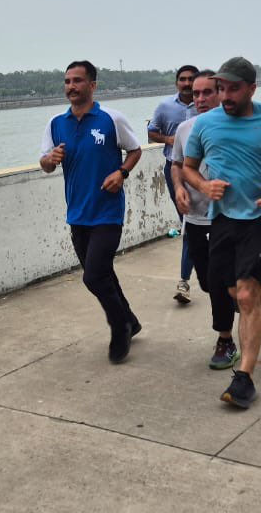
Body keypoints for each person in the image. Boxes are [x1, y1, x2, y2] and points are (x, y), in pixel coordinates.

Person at [182, 57, 261, 409]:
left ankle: (244, 379)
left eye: (233, 88)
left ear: (252, 88)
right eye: (221, 88)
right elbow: (188, 168)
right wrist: (204, 186)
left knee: (245, 295)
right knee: (229, 289)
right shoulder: (205, 124)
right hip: (223, 219)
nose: (225, 95)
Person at [41, 60, 144, 363]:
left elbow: (135, 150)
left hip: (107, 212)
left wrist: (121, 173)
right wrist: (50, 158)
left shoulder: (111, 119)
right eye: (67, 81)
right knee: (104, 273)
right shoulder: (55, 124)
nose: (71, 87)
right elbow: (44, 165)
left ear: (92, 85)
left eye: (77, 81)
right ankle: (131, 320)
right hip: (77, 214)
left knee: (93, 277)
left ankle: (119, 327)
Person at [170, 70, 240, 369]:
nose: (199, 99)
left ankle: (225, 341)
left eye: (207, 92)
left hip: (230, 217)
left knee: (222, 280)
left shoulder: (237, 126)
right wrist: (178, 189)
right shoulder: (185, 128)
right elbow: (177, 165)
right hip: (196, 218)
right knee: (212, 284)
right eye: (195, 94)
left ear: (221, 92)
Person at [148, 65, 199, 300]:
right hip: (175, 170)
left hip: (207, 172)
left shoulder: (209, 106)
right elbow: (151, 132)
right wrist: (170, 139)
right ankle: (184, 282)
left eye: (191, 79)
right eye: (182, 79)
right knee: (188, 224)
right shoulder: (165, 107)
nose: (187, 83)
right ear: (176, 82)